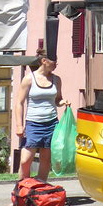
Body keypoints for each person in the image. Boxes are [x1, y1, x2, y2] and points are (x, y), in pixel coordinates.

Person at [13, 53, 69, 184]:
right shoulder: (29, 79)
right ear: (44, 61)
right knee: (25, 160)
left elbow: (57, 99)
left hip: (51, 123)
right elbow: (19, 103)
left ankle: (39, 191)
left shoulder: (56, 80)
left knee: (46, 159)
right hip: (33, 123)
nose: (56, 65)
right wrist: (19, 125)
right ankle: (21, 191)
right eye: (53, 62)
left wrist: (63, 102)